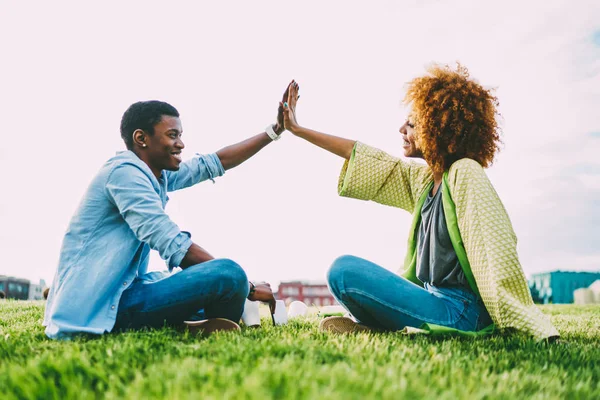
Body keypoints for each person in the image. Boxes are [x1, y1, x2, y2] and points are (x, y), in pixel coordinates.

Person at [281, 66, 559, 340]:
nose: (402, 129)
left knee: (343, 271)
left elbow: (497, 246)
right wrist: (298, 130)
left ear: (440, 130)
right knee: (344, 275)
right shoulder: (425, 181)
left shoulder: (465, 173)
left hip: (461, 311)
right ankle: (386, 326)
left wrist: (527, 322)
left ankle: (385, 326)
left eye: (412, 124)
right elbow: (363, 155)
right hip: (432, 297)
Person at [44, 88, 291, 339]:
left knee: (177, 277)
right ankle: (215, 315)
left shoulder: (154, 174)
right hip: (105, 305)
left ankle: (206, 317)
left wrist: (274, 131)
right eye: (173, 135)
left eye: (180, 135)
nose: (181, 144)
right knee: (229, 273)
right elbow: (172, 243)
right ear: (142, 138)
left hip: (127, 290)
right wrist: (248, 286)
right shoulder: (124, 174)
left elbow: (214, 163)